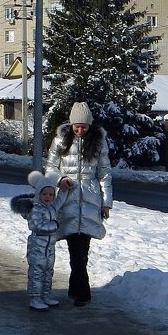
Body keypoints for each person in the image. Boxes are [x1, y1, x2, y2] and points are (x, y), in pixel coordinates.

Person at [44, 102, 112, 307]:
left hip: (90, 201)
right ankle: (81, 292)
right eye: (76, 126)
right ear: (71, 124)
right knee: (75, 249)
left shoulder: (98, 143)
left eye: (83, 126)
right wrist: (59, 181)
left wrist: (106, 202)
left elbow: (105, 173)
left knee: (82, 250)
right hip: (67, 199)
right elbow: (50, 168)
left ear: (89, 125)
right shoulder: (60, 140)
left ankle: (80, 292)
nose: (80, 130)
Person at [22, 172, 61, 311]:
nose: (48, 197)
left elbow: (61, 200)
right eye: (44, 194)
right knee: (37, 272)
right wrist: (54, 226)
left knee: (48, 271)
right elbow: (36, 225)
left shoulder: (51, 208)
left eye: (51, 195)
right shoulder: (35, 209)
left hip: (49, 247)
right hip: (37, 246)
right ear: (38, 194)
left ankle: (46, 295)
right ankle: (35, 298)